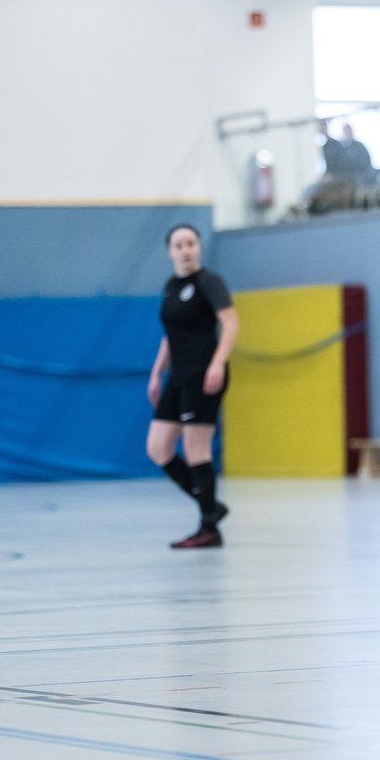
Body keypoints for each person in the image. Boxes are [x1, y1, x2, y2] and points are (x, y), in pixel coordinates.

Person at [146, 224, 238, 549]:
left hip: (204, 373)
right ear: (170, 251)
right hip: (179, 376)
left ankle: (209, 527)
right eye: (178, 245)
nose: (185, 249)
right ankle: (211, 506)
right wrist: (157, 372)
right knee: (158, 448)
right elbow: (170, 335)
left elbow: (230, 322)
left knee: (196, 448)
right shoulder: (171, 285)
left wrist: (217, 362)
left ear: (198, 247)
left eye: (191, 243)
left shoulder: (209, 282)